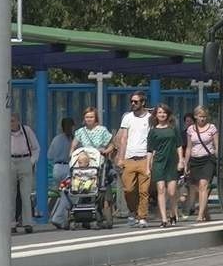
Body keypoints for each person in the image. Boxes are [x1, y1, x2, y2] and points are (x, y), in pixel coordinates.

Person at [51, 107, 114, 229]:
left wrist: (105, 151)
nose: (89, 119)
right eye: (86, 117)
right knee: (69, 188)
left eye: (91, 117)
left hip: (97, 162)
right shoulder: (80, 132)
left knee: (100, 185)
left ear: (95, 118)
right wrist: (72, 153)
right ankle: (62, 216)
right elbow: (74, 144)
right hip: (81, 164)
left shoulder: (102, 130)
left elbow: (112, 144)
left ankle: (98, 213)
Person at [116, 91, 151, 228]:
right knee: (129, 189)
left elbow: (151, 138)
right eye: (131, 101)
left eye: (136, 102)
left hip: (144, 157)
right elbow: (123, 138)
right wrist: (120, 158)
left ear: (143, 103)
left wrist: (151, 158)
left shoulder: (149, 118)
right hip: (129, 157)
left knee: (144, 190)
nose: (133, 104)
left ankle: (142, 216)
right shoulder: (127, 118)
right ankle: (133, 211)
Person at [146, 103, 184, 227]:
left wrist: (181, 161)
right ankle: (164, 218)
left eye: (164, 112)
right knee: (161, 190)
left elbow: (179, 145)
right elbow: (150, 150)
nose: (162, 115)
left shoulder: (173, 128)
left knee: (172, 192)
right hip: (159, 162)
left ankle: (173, 212)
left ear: (168, 114)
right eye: (159, 112)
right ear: (156, 115)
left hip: (172, 162)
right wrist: (148, 166)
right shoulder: (153, 131)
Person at [184, 105, 218, 222]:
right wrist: (185, 163)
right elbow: (189, 147)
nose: (202, 119)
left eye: (204, 116)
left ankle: (200, 215)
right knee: (198, 188)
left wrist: (218, 158)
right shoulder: (190, 130)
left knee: (204, 185)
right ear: (195, 117)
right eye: (200, 116)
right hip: (195, 160)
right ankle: (206, 211)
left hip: (208, 159)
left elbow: (216, 145)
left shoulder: (212, 128)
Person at [10, 113, 40, 234]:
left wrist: (32, 161)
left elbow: (36, 147)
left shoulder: (26, 131)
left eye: (12, 121)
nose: (10, 124)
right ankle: (11, 223)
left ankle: (28, 222)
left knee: (26, 194)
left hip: (25, 160)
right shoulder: (4, 132)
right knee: (10, 194)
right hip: (10, 161)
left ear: (18, 121)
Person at [48, 117, 75, 189]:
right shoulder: (74, 140)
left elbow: (50, 155)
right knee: (68, 191)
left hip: (57, 167)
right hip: (67, 167)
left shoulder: (56, 139)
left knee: (60, 190)